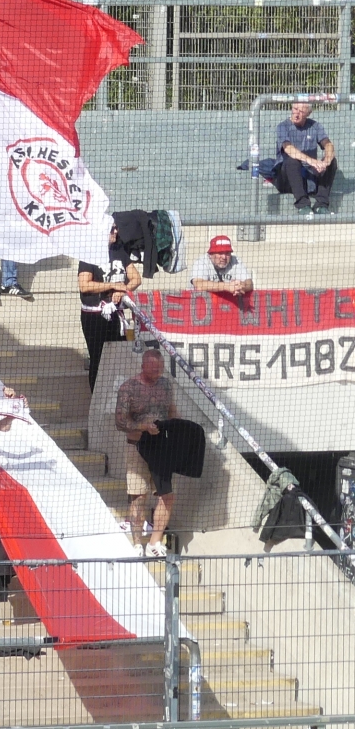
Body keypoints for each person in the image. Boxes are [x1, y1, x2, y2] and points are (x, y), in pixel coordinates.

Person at [115, 346, 203, 557]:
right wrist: (143, 427)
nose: (158, 372)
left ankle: (155, 542)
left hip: (162, 449)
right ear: (143, 366)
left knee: (166, 495)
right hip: (137, 447)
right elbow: (120, 422)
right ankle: (137, 544)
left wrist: (181, 427)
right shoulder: (128, 388)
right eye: (153, 369)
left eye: (160, 368)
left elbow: (171, 411)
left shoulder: (166, 384)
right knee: (138, 496)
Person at [78, 225, 142, 389]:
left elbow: (136, 278)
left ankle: (117, 395)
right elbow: (84, 285)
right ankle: (98, 397)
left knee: (120, 357)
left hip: (115, 313)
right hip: (95, 316)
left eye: (116, 228)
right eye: (112, 229)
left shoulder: (119, 251)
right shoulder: (88, 255)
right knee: (99, 358)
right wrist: (113, 285)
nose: (116, 231)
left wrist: (122, 290)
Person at [274, 99, 336, 213]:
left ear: (308, 113)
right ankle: (303, 205)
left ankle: (321, 205)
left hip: (309, 177)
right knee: (292, 160)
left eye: (301, 111)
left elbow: (328, 144)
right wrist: (312, 161)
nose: (297, 114)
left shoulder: (315, 126)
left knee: (332, 160)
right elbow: (288, 149)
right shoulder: (283, 126)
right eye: (295, 109)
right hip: (286, 178)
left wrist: (326, 161)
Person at [187, 233, 254, 302]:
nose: (224, 257)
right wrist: (227, 286)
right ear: (211, 254)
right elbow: (199, 284)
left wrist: (241, 287)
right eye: (220, 253)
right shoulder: (201, 262)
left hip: (226, 305)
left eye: (227, 253)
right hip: (199, 304)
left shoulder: (235, 261)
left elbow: (249, 283)